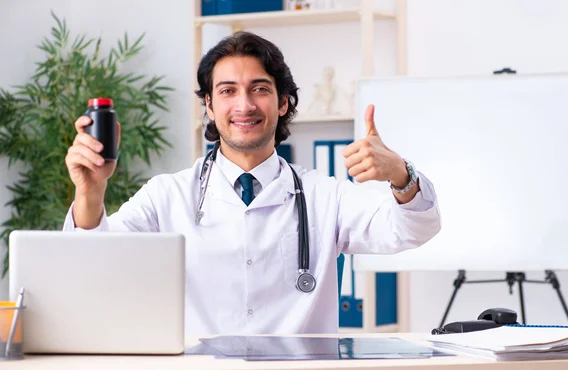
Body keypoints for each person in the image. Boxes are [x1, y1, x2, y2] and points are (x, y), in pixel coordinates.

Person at [63, 31, 441, 336]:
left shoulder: (325, 196)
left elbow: (411, 230)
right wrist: (90, 192)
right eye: (227, 91)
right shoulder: (168, 195)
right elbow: (94, 268)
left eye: (259, 88)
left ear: (282, 102)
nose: (244, 105)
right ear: (209, 106)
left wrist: (400, 174)